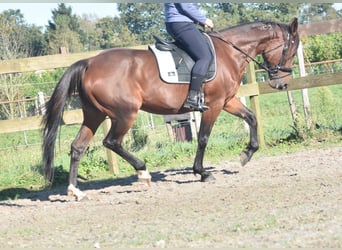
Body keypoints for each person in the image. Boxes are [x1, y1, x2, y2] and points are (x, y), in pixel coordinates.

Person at [164, 3, 214, 112]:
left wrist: (197, 20)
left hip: (177, 23)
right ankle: (193, 97)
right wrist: (204, 20)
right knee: (205, 57)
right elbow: (186, 6)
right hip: (182, 24)